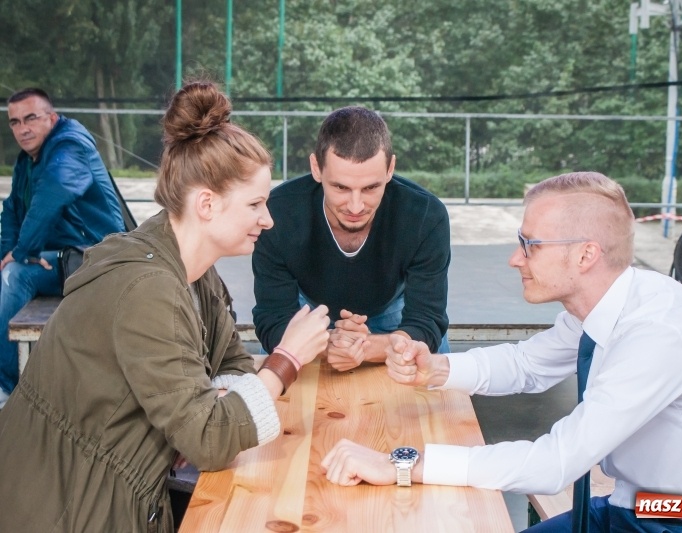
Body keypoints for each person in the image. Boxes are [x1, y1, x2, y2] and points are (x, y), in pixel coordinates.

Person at [321, 172, 682, 532]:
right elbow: (528, 365)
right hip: (638, 506)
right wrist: (434, 368)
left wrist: (402, 464)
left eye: (530, 244)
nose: (516, 258)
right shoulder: (608, 300)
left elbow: (555, 462)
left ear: (585, 255)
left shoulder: (656, 334)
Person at [0, 81, 331, 532]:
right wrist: (286, 360)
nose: (267, 219)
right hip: (65, 506)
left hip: (112, 489)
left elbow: (228, 361)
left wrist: (219, 404)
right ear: (207, 204)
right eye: (255, 203)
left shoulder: (194, 270)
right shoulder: (149, 289)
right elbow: (210, 439)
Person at [252, 106, 450, 372]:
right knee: (275, 394)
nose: (356, 207)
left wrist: (365, 347)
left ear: (390, 169)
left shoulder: (426, 216)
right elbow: (272, 319)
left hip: (394, 311)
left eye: (370, 187)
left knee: (433, 383)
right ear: (316, 168)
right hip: (308, 313)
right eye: (340, 187)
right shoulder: (277, 214)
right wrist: (324, 344)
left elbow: (427, 320)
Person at [0, 88, 126, 406]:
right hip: (60, 258)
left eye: (31, 118)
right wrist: (8, 252)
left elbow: (54, 192)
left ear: (51, 118)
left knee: (16, 274)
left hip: (96, 258)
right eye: (15, 122)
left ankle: (12, 390)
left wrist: (22, 253)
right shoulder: (26, 162)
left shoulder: (70, 145)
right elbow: (13, 210)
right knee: (9, 268)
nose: (22, 128)